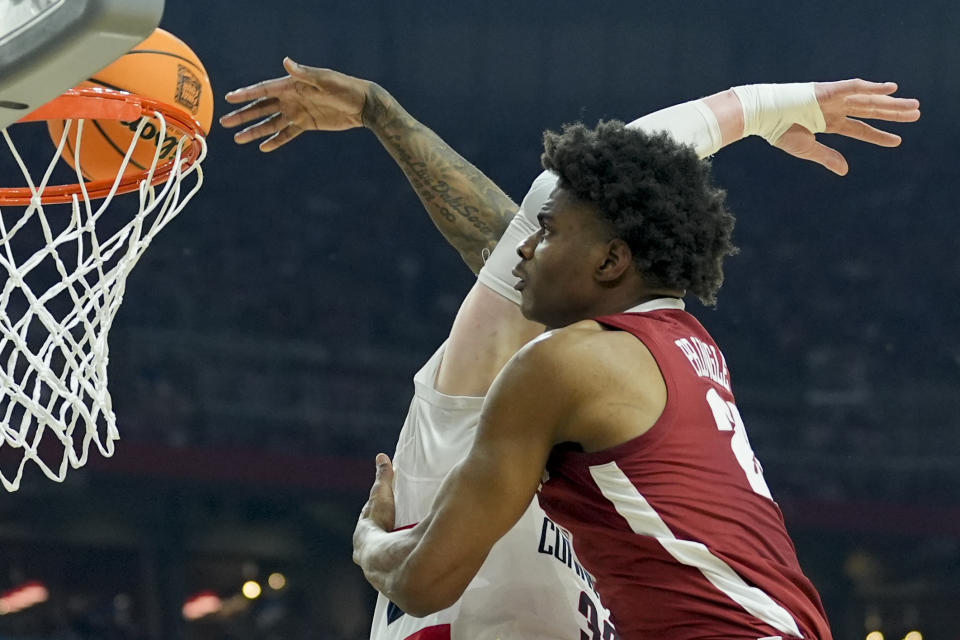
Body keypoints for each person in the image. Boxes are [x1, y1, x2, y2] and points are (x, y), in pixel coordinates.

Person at [221, 62, 919, 640]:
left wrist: (369, 537)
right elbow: (531, 234)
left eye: (547, 236)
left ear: (613, 260)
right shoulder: (680, 352)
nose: (523, 248)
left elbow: (424, 581)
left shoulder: (559, 369)